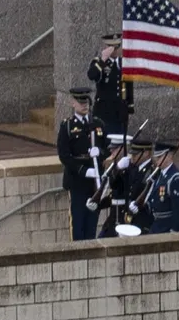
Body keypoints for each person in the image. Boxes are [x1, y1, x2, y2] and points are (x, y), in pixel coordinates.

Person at [57, 86, 107, 241]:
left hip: (94, 182)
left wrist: (100, 152)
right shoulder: (67, 126)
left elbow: (108, 148)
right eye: (81, 102)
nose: (85, 105)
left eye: (86, 102)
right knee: (78, 226)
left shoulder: (97, 124)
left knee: (91, 225)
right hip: (77, 181)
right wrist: (83, 171)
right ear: (73, 103)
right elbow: (64, 155)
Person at [87, 34, 133, 136]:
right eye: (112, 47)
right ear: (106, 47)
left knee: (120, 141)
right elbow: (91, 75)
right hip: (104, 111)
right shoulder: (99, 62)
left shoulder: (123, 63)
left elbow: (128, 85)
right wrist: (103, 59)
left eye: (117, 47)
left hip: (120, 111)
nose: (115, 50)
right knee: (105, 141)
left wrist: (129, 106)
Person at [146, 141, 179, 233]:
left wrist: (176, 232)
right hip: (156, 226)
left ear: (169, 156)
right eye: (156, 157)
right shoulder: (160, 175)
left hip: (167, 228)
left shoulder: (176, 178)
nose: (157, 160)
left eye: (159, 157)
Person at [124, 137, 156, 233]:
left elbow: (150, 194)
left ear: (146, 153)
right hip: (131, 216)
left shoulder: (152, 171)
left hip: (144, 219)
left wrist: (140, 205)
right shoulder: (133, 167)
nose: (132, 157)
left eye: (135, 154)